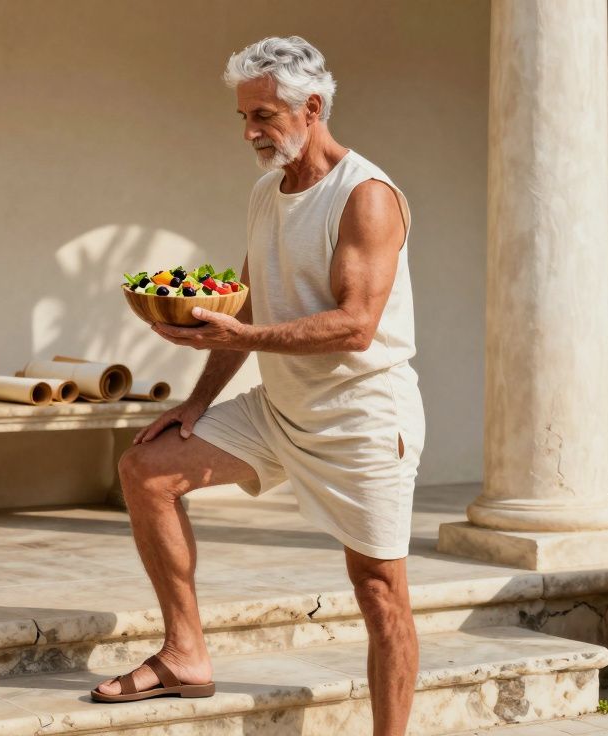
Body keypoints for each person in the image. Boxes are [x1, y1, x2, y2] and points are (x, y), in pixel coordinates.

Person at [91, 36, 423, 736]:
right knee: (147, 469)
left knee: (379, 592)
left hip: (361, 416)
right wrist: (199, 400)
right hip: (280, 409)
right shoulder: (267, 192)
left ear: (312, 106)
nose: (250, 132)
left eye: (264, 116)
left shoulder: (366, 197)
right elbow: (245, 302)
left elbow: (356, 325)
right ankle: (185, 654)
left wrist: (241, 339)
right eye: (244, 117)